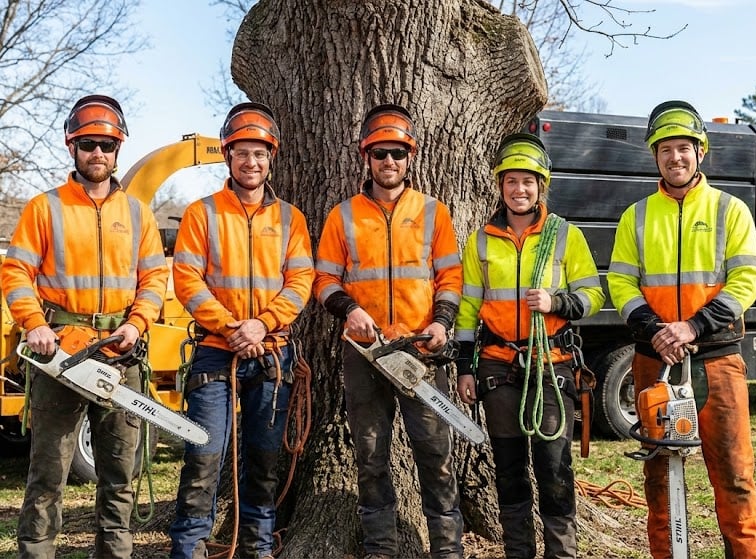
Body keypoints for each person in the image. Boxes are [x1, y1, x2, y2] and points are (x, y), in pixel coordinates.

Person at [0, 95, 169, 558]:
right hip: (59, 352)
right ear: (71, 146)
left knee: (119, 474)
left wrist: (137, 323)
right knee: (47, 474)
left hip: (120, 352)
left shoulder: (136, 213)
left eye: (107, 145)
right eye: (89, 144)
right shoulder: (45, 208)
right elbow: (16, 272)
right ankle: (37, 551)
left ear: (118, 149)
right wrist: (34, 323)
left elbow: (154, 277)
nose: (98, 153)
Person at [607, 100, 756, 559]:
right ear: (655, 156)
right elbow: (620, 281)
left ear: (700, 152)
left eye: (683, 148)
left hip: (717, 359)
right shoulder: (637, 216)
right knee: (657, 476)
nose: (675, 157)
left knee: (735, 476)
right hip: (653, 358)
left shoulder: (730, 210)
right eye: (665, 149)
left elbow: (746, 280)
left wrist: (693, 326)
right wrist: (655, 328)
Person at [313, 103, 464, 559]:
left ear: (410, 157)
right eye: (380, 153)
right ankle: (381, 547)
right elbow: (324, 280)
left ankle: (447, 548)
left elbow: (451, 278)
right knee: (370, 453)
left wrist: (441, 322)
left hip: (420, 350)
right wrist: (349, 310)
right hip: (366, 351)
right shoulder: (343, 216)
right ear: (367, 157)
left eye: (397, 153)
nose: (389, 161)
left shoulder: (434, 213)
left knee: (435, 452)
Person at [168, 102, 314, 559]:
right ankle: (189, 548)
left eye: (259, 154)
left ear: (271, 158)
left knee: (265, 460)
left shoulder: (290, 219)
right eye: (243, 153)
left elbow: (301, 281)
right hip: (216, 350)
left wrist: (262, 324)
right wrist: (231, 326)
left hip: (272, 352)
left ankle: (256, 548)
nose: (251, 162)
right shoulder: (202, 214)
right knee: (203, 456)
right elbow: (187, 280)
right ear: (228, 156)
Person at [453, 133, 605, 559]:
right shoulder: (480, 241)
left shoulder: (565, 236)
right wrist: (465, 367)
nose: (519, 190)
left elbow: (594, 296)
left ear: (541, 186)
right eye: (511, 181)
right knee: (508, 468)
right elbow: (468, 309)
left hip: (551, 363)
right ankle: (518, 552)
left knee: (554, 467)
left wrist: (557, 303)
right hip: (498, 365)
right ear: (500, 185)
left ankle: (562, 553)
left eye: (527, 181)